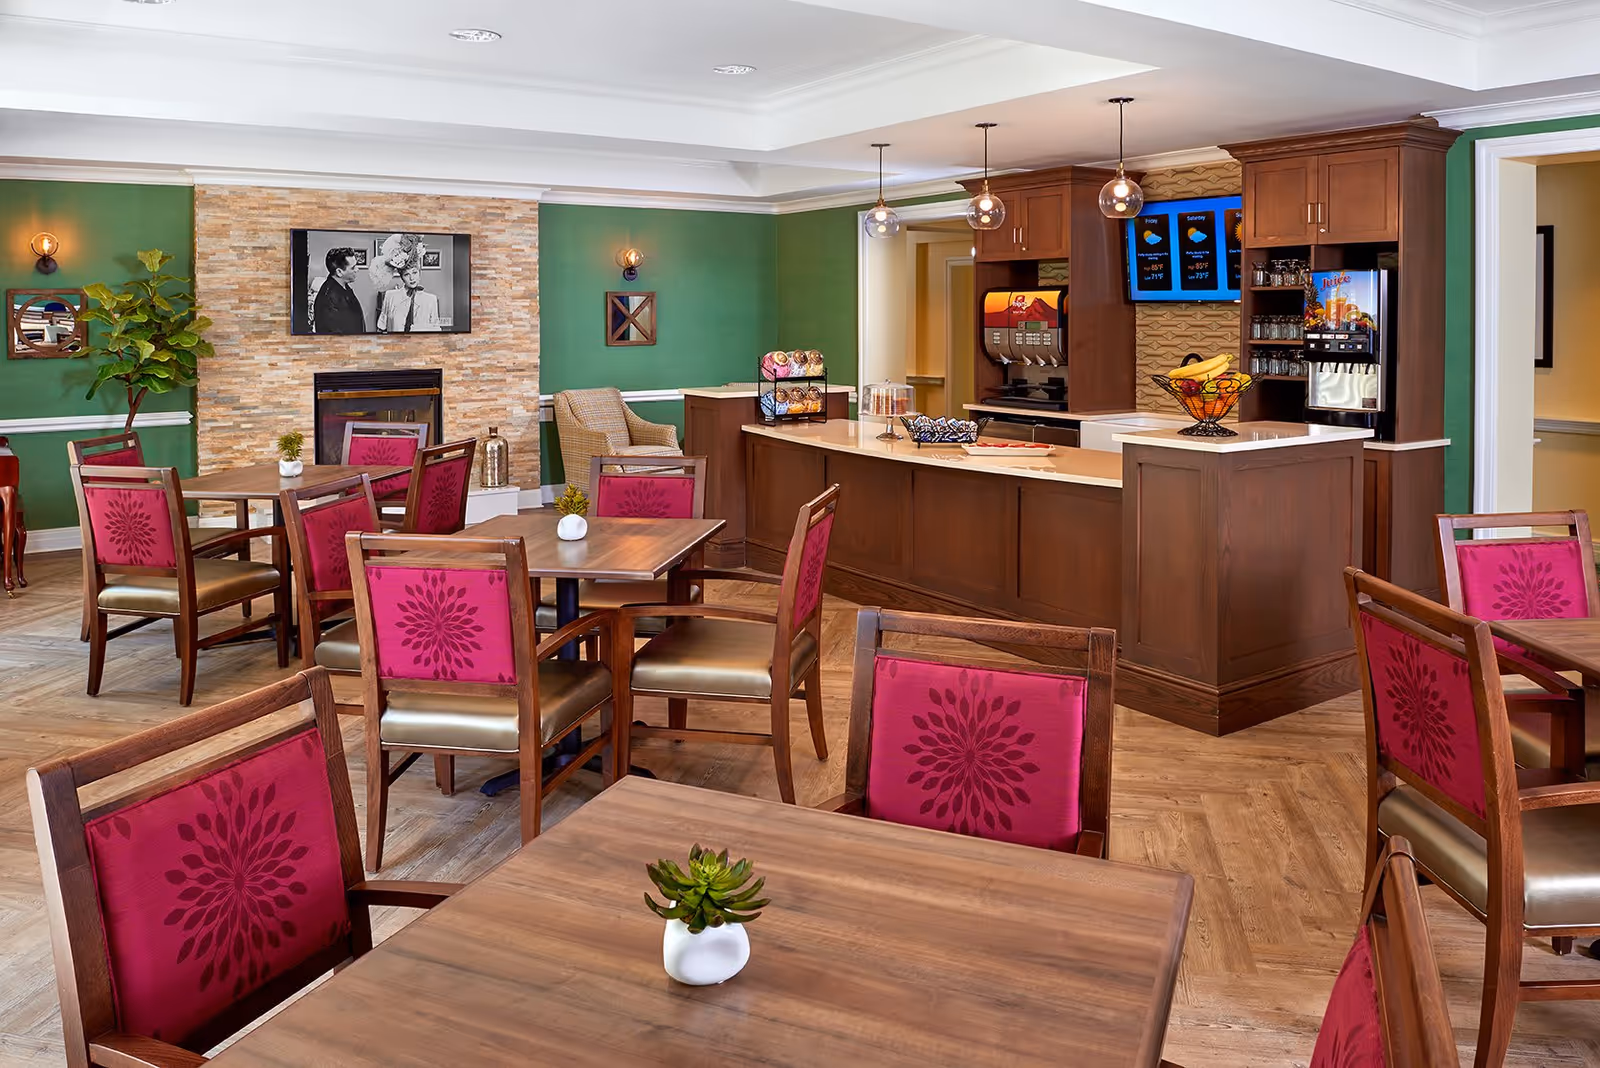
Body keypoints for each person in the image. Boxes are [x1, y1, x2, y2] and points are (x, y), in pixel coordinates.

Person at [313, 248, 367, 334]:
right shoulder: (327, 300)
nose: (357, 270)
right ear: (339, 272)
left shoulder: (345, 287)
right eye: (353, 267)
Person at [375, 264, 441, 332]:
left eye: (414, 272)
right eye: (406, 274)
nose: (412, 278)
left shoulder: (431, 300)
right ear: (402, 278)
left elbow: (435, 330)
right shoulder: (390, 296)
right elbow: (381, 327)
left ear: (419, 273)